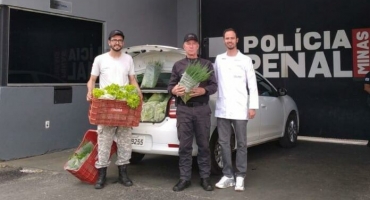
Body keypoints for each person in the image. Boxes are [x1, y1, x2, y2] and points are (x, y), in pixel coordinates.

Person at [86, 29, 142, 189]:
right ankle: (101, 175)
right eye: (114, 40)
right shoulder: (100, 59)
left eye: (120, 40)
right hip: (106, 105)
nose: (117, 42)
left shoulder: (128, 59)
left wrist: (138, 94)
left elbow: (132, 80)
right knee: (104, 141)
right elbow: (91, 80)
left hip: (124, 106)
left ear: (123, 43)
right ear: (109, 42)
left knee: (125, 142)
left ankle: (123, 174)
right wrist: (90, 92)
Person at [167, 33, 217, 192]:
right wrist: (174, 90)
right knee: (185, 147)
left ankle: (205, 178)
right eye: (188, 43)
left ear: (198, 46)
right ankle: (184, 178)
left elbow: (214, 86)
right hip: (184, 110)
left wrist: (203, 90)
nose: (191, 46)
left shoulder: (206, 65)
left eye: (194, 43)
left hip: (202, 109)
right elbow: (170, 87)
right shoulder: (178, 65)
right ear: (184, 46)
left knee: (204, 146)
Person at [213, 28, 259, 191]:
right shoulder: (219, 59)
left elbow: (252, 85)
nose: (230, 40)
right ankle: (227, 175)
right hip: (223, 108)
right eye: (227, 38)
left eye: (232, 38)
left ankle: (240, 176)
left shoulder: (245, 60)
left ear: (237, 40)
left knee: (241, 144)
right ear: (224, 41)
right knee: (224, 143)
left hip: (240, 108)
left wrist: (252, 106)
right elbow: (214, 82)